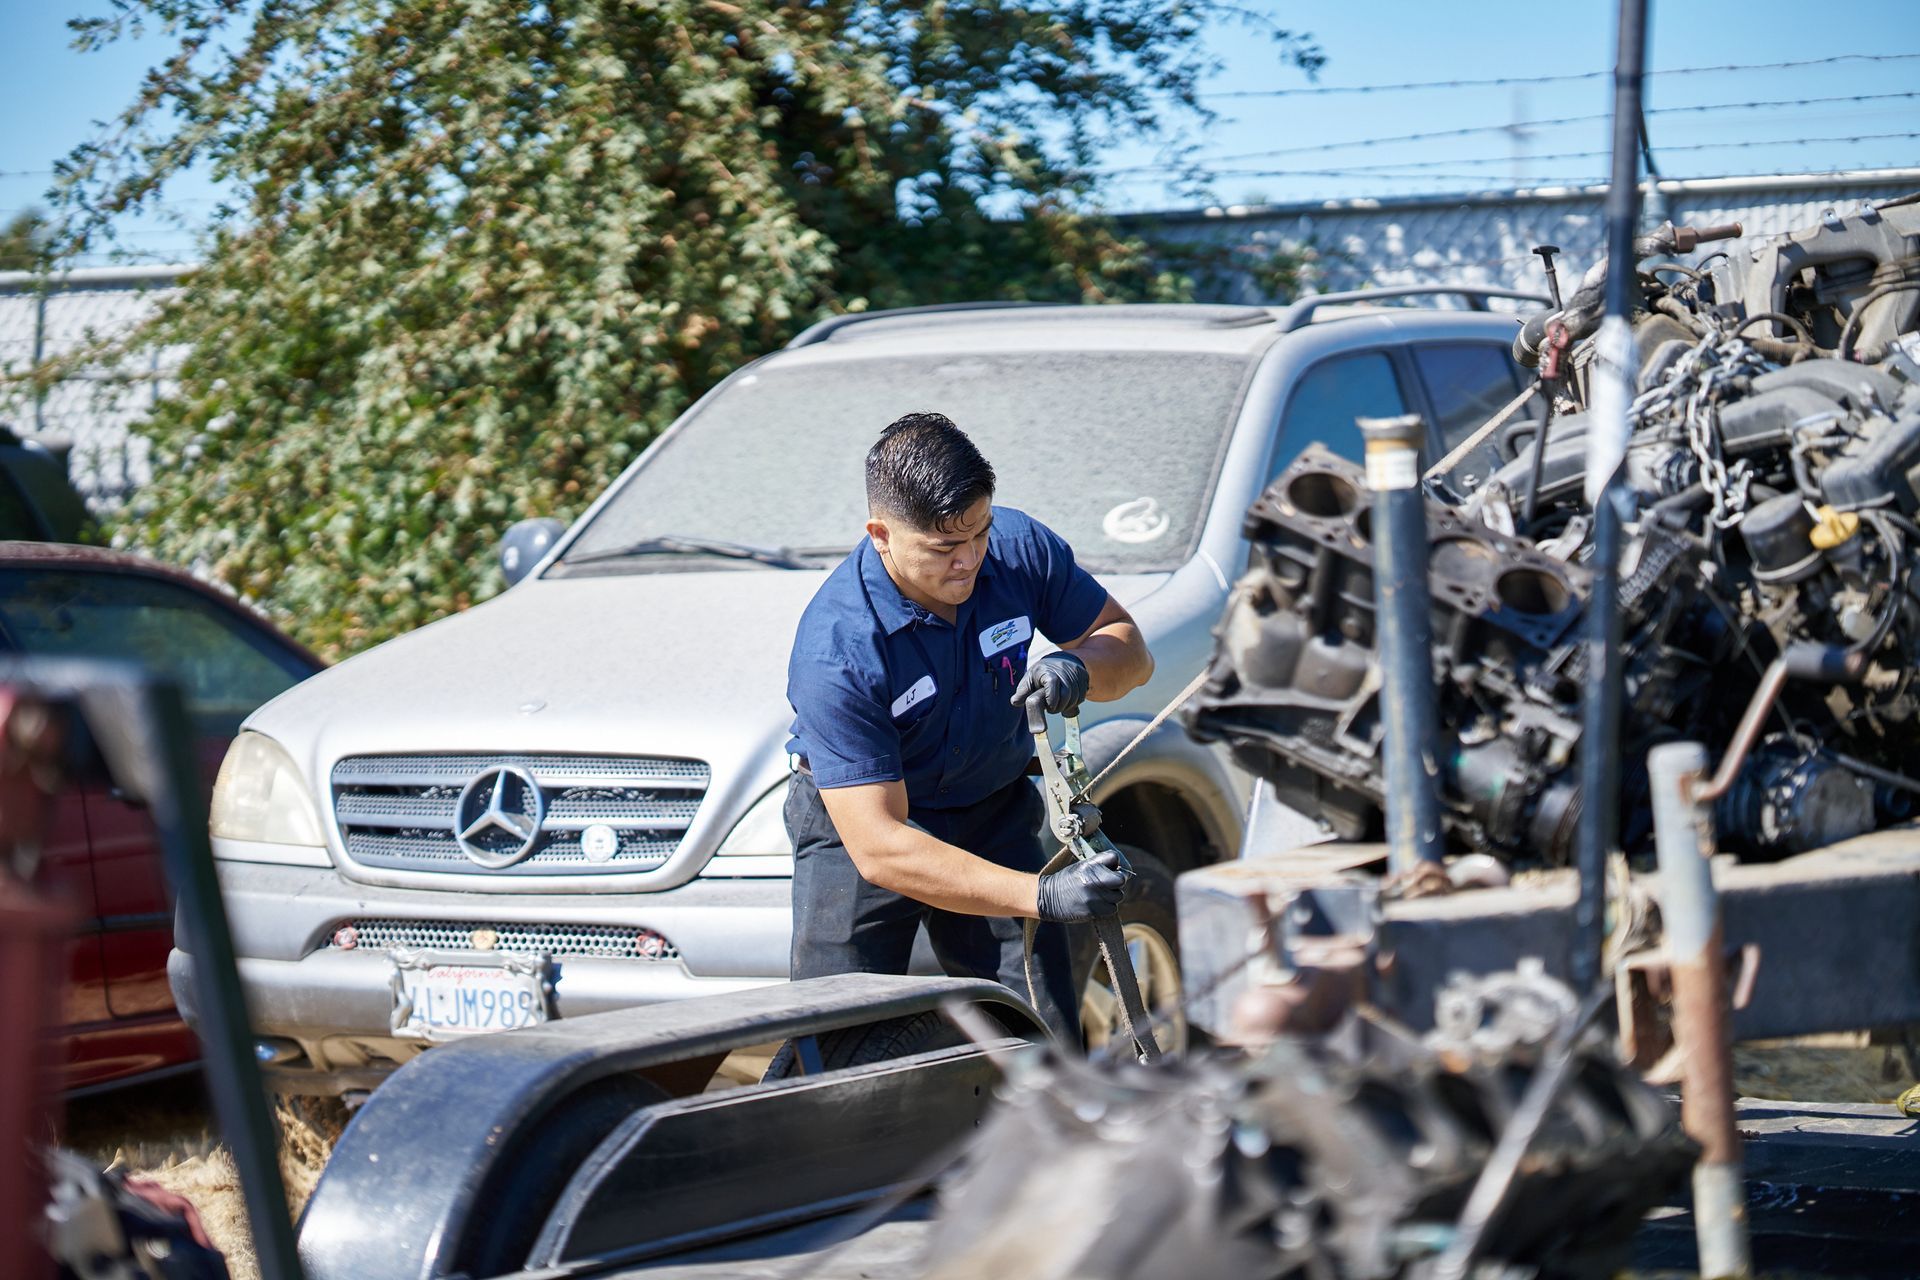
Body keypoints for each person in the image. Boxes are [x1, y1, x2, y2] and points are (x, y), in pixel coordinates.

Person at [784, 411, 1155, 1039]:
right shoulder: (838, 648)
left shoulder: (1016, 549)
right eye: (944, 548)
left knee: (1042, 1039)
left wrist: (1079, 666)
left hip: (991, 806)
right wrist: (1040, 896)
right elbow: (879, 845)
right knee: (833, 1042)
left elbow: (1129, 650)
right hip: (868, 826)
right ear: (881, 533)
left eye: (979, 532)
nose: (970, 560)